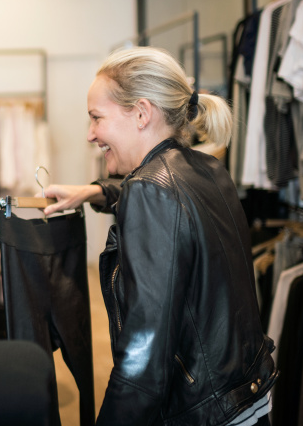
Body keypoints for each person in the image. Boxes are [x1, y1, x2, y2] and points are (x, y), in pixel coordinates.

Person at [43, 47, 276, 426]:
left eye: (96, 118)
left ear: (141, 113)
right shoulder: (208, 168)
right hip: (247, 398)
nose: (90, 135)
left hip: (204, 414)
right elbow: (171, 203)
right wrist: (96, 191)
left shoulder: (150, 192)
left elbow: (145, 353)